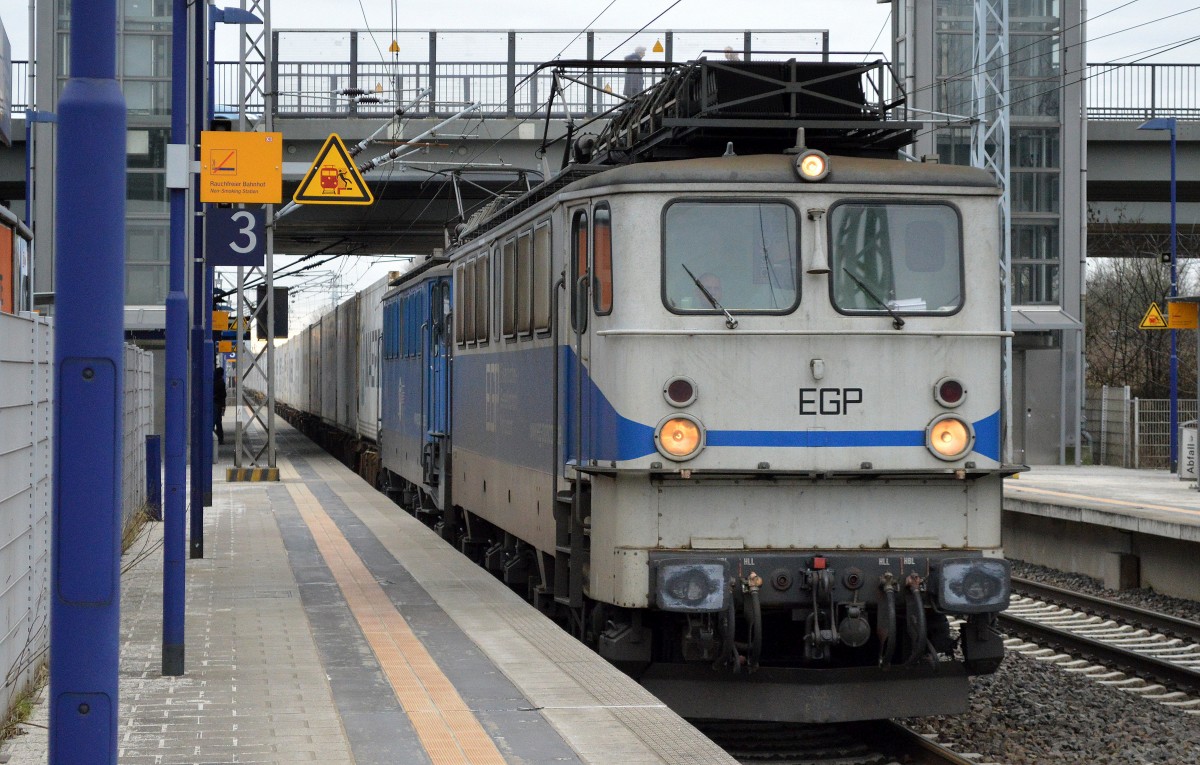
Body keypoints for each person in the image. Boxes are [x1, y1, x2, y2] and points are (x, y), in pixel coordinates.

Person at [213, 366, 227, 445]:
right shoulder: (221, 382)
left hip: (214, 403)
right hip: (218, 404)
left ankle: (215, 438)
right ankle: (220, 439)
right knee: (218, 422)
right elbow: (223, 395)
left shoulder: (214, 381)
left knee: (214, 422)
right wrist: (223, 406)